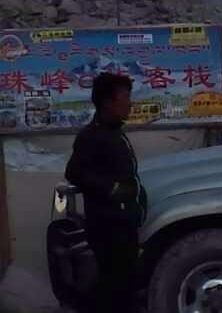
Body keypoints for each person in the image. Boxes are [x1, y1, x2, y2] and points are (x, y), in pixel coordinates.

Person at [65, 72, 147, 313]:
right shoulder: (91, 136)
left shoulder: (115, 132)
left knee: (125, 287)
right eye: (125, 97)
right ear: (107, 102)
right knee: (113, 290)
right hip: (108, 228)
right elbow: (74, 172)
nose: (129, 103)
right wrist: (111, 189)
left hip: (124, 226)